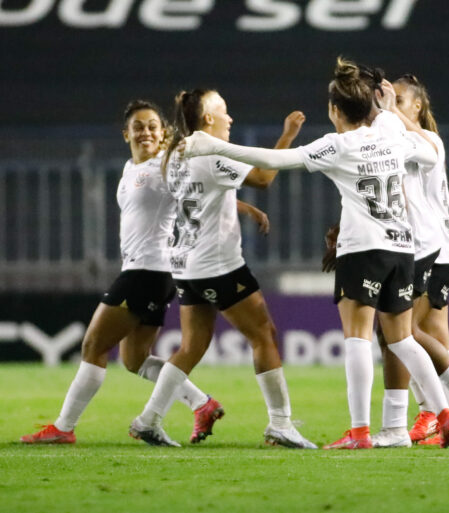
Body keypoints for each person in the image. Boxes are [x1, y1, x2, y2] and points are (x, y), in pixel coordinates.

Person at [181, 58, 449, 449]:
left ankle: (360, 433)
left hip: (363, 250)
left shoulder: (337, 145)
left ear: (334, 110)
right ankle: (445, 414)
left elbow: (274, 161)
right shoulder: (390, 130)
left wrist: (212, 145)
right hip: (402, 248)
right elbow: (431, 156)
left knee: (358, 339)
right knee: (402, 341)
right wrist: (388, 113)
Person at [20, 100, 267, 445]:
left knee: (93, 345)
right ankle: (202, 403)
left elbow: (200, 191)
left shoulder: (165, 166)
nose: (146, 131)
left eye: (153, 125)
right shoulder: (129, 168)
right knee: (134, 359)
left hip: (147, 272)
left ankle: (63, 427)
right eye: (138, 126)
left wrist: (243, 207)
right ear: (126, 134)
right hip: (152, 273)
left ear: (163, 132)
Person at [127, 89, 317, 449]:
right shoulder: (212, 153)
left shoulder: (175, 153)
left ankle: (148, 420)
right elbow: (263, 178)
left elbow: (202, 195)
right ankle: (281, 424)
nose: (230, 118)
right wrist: (288, 136)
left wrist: (244, 210)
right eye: (224, 111)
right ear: (208, 118)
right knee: (264, 335)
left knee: (192, 346)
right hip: (218, 266)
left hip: (184, 264)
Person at [325, 74, 449, 447]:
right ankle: (440, 416)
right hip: (432, 248)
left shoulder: (423, 140)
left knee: (402, 335)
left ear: (417, 107)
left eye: (400, 100)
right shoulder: (399, 141)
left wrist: (386, 112)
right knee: (422, 336)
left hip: (424, 247)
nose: (390, 106)